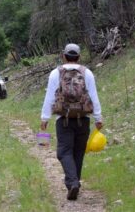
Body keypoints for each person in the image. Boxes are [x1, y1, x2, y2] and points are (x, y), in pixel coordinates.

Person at [40, 43, 103, 200]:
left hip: (64, 120)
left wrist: (44, 118)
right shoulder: (86, 73)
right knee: (78, 153)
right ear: (79, 57)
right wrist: (98, 118)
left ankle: (73, 183)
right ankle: (74, 183)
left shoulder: (56, 73)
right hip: (83, 119)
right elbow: (94, 96)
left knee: (63, 152)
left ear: (63, 56)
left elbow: (50, 97)